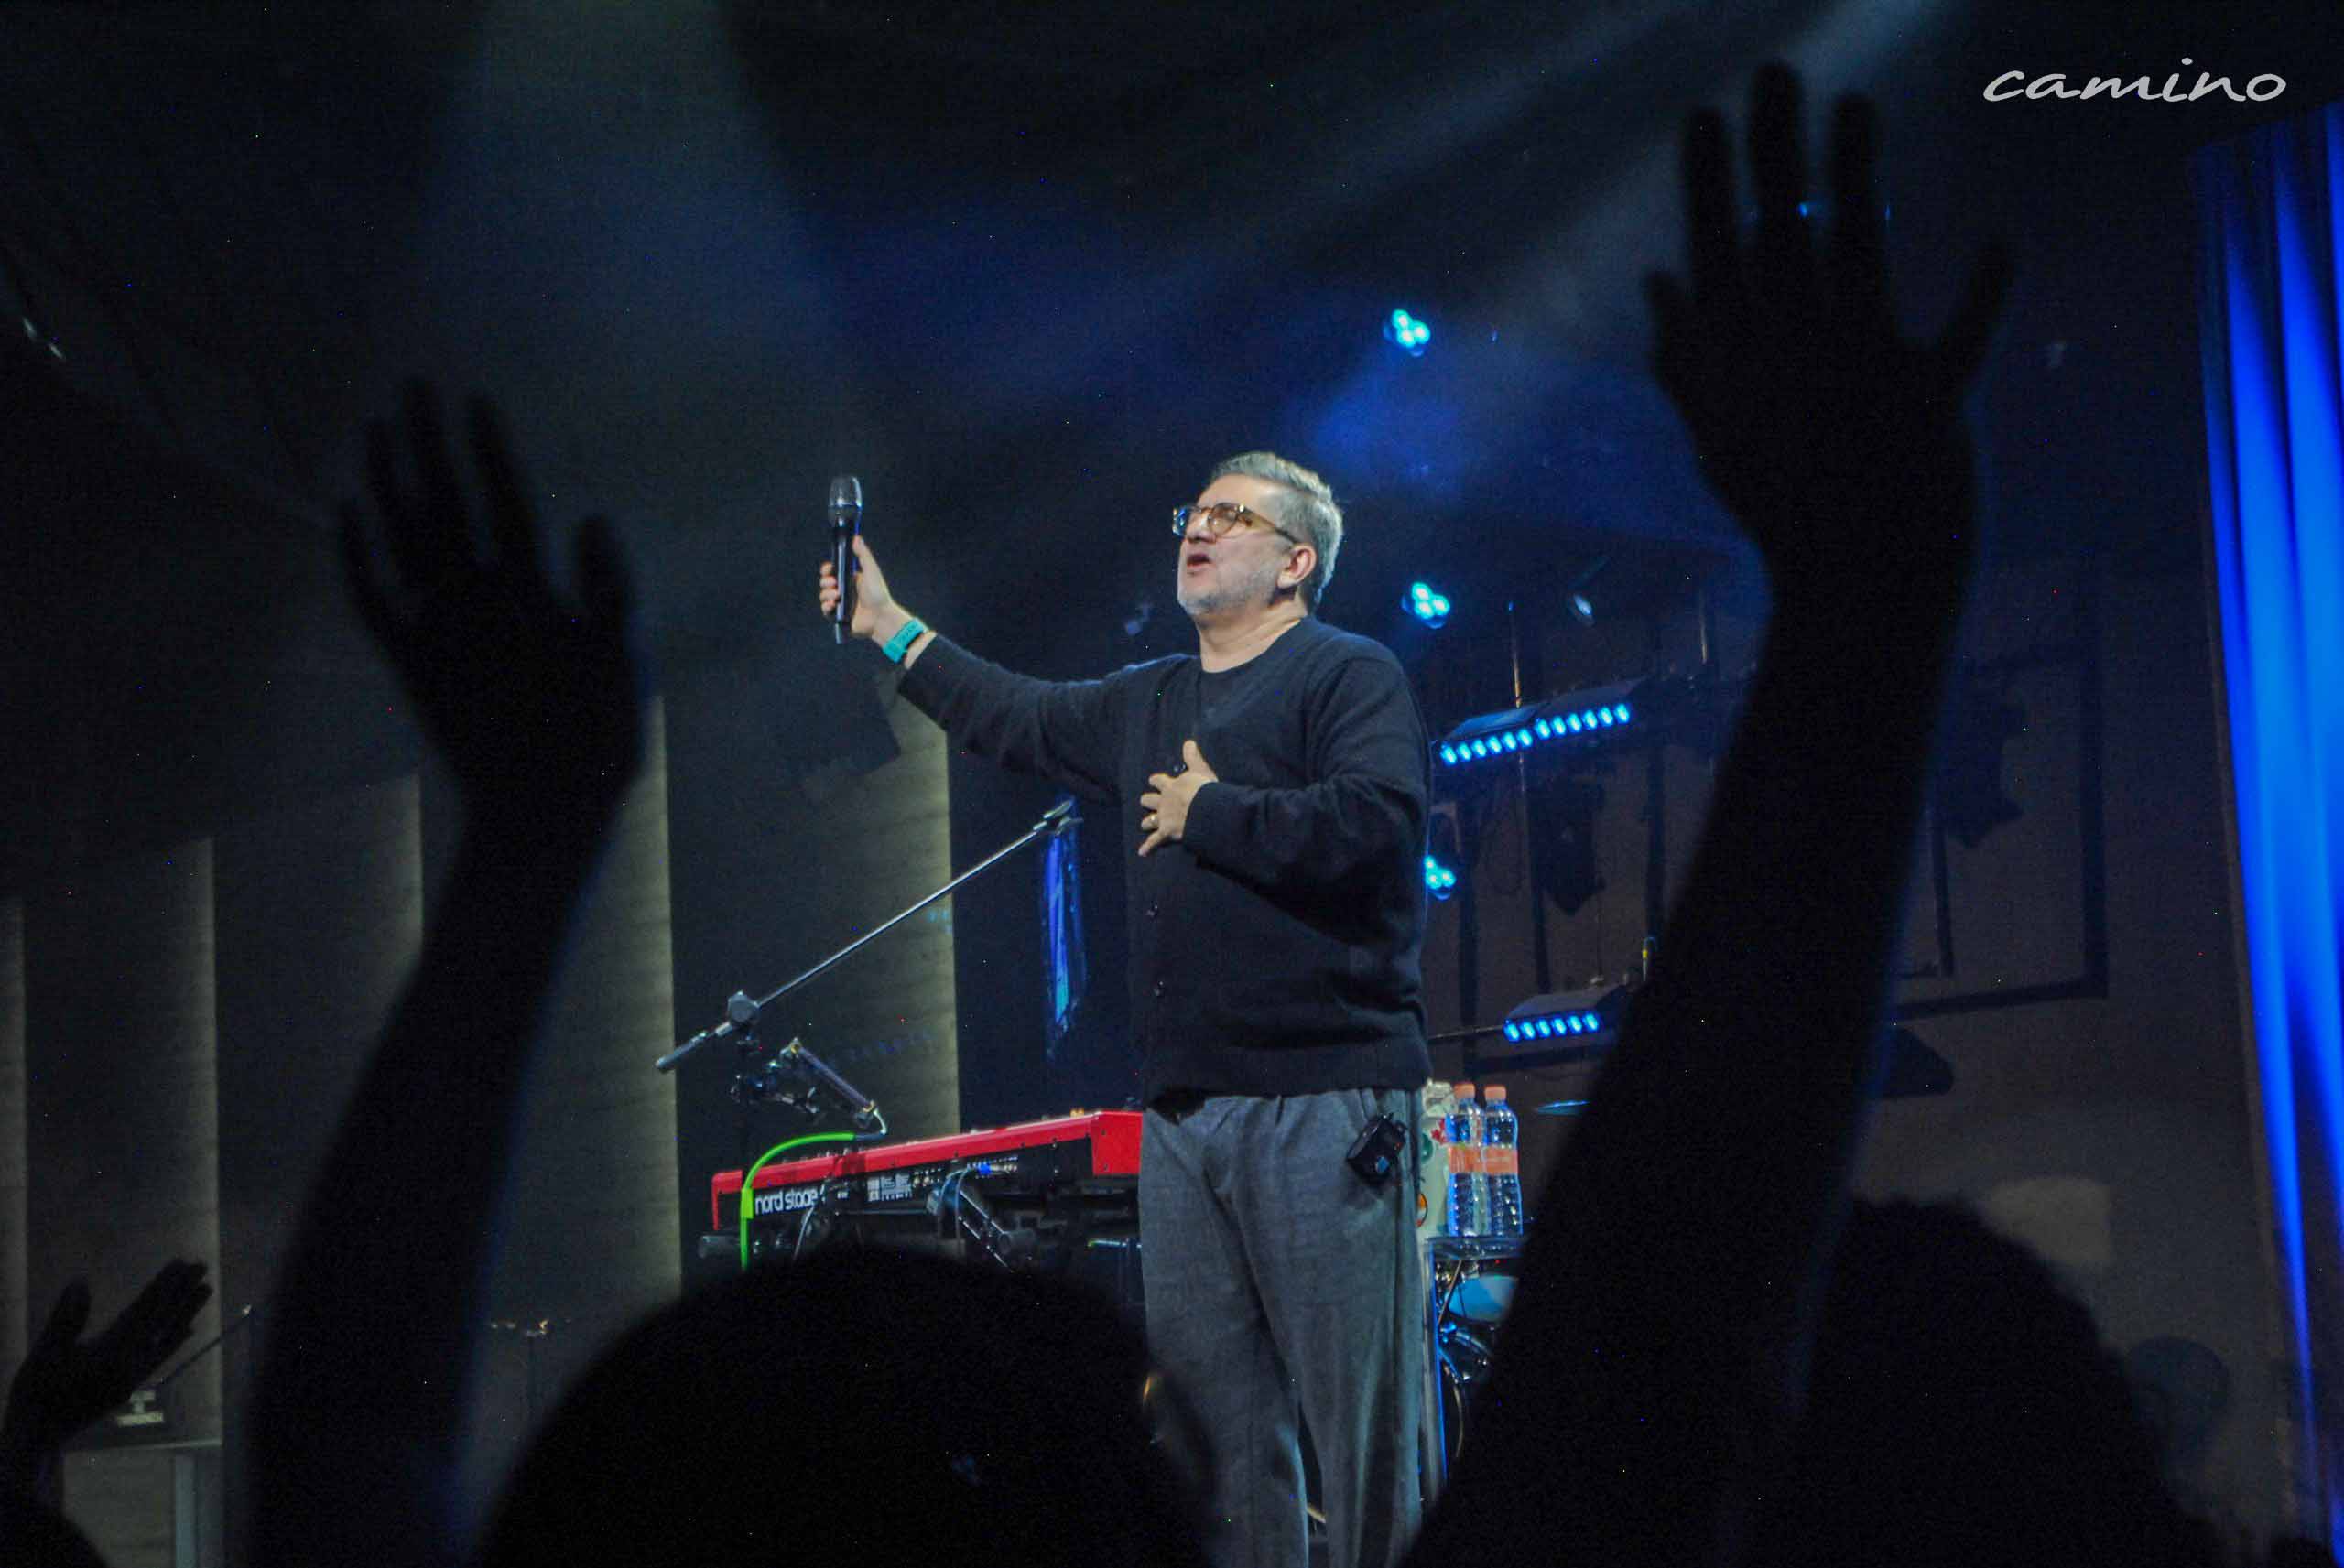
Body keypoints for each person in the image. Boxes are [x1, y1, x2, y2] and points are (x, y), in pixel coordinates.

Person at [818, 453, 1432, 1568]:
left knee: (1367, 1441)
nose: (1200, 527)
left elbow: (1376, 825)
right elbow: (1015, 715)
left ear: (1295, 563)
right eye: (1195, 512)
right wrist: (889, 628)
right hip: (1183, 1120)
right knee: (1216, 1447)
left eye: (1233, 517)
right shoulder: (1148, 698)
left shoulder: (1348, 673)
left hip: (1325, 1103)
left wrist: (1213, 812)